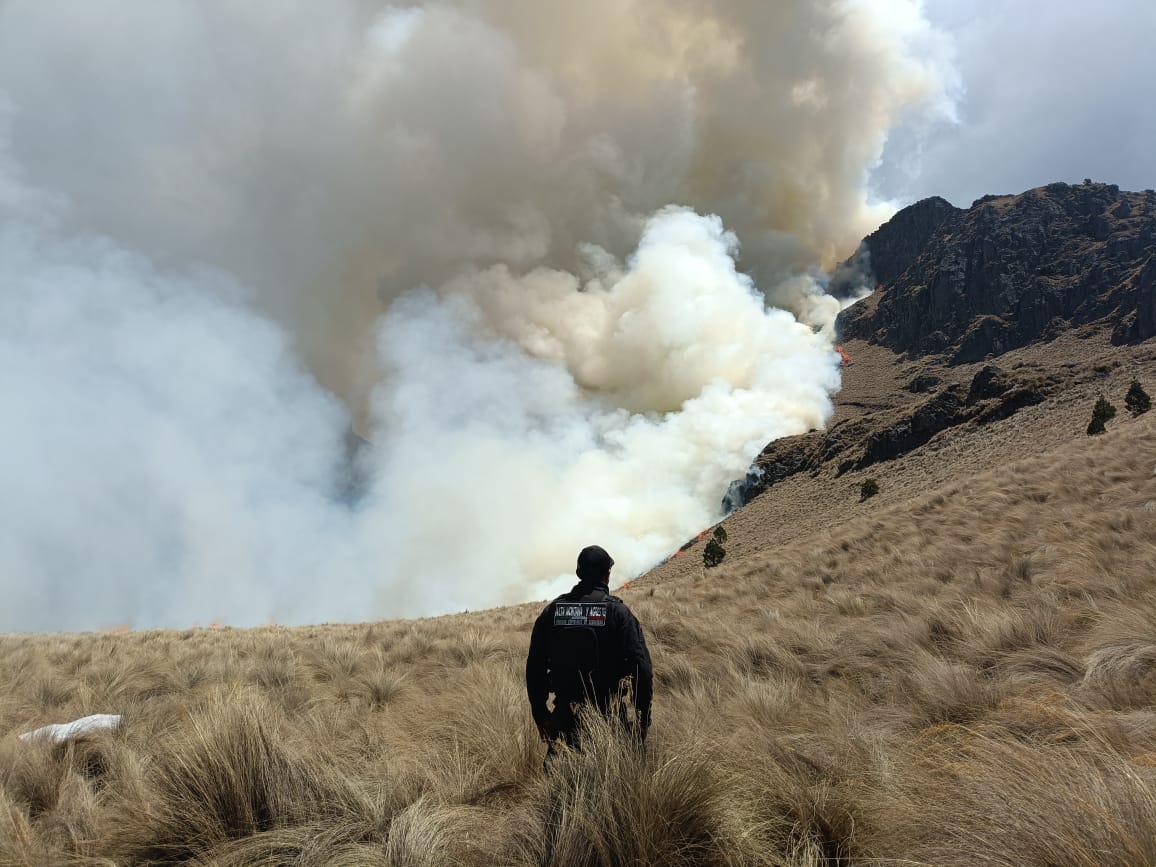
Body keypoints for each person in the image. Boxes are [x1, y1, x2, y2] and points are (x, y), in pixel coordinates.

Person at [525, 545, 653, 758]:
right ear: (608, 575)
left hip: (563, 721)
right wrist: (642, 720)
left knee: (560, 786)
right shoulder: (617, 612)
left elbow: (534, 667)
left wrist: (541, 716)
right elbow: (642, 668)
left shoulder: (553, 611)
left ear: (578, 573)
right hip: (610, 720)